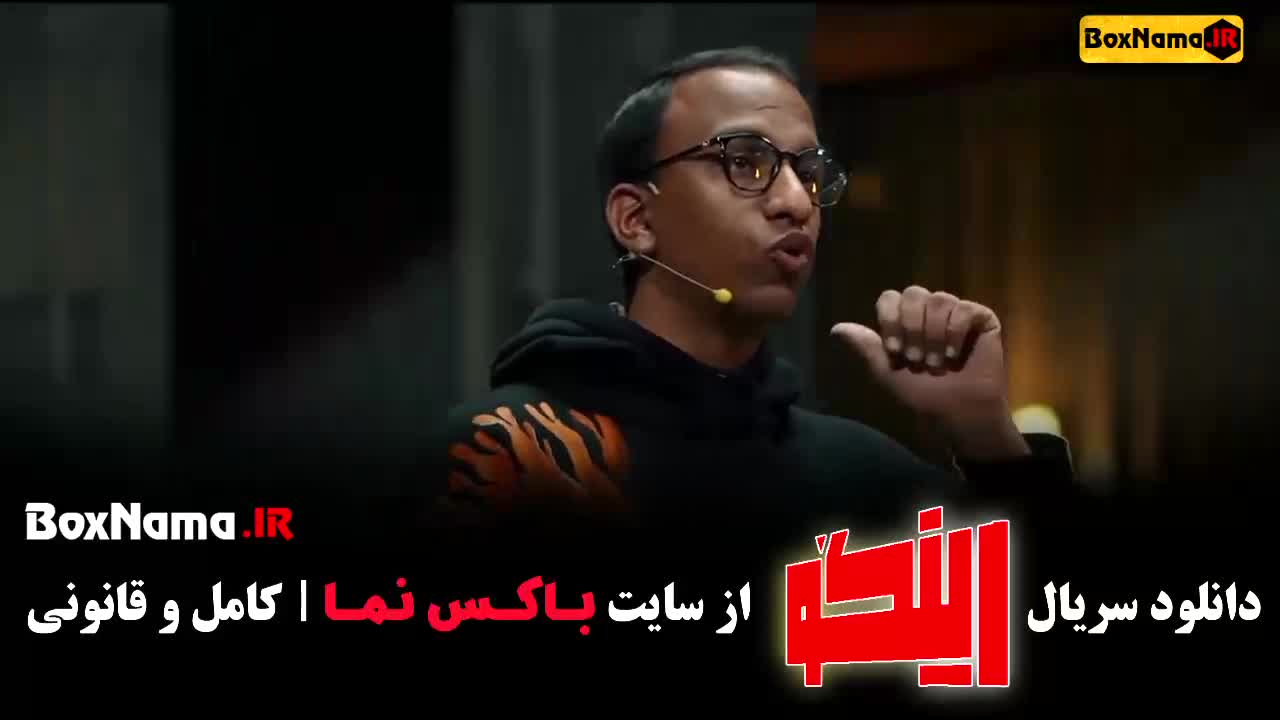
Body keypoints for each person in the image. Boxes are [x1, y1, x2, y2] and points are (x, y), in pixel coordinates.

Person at [430, 47, 1073, 531]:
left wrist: (988, 440)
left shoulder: (858, 475)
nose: (796, 202)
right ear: (637, 219)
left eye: (810, 173)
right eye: (745, 161)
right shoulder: (509, 454)